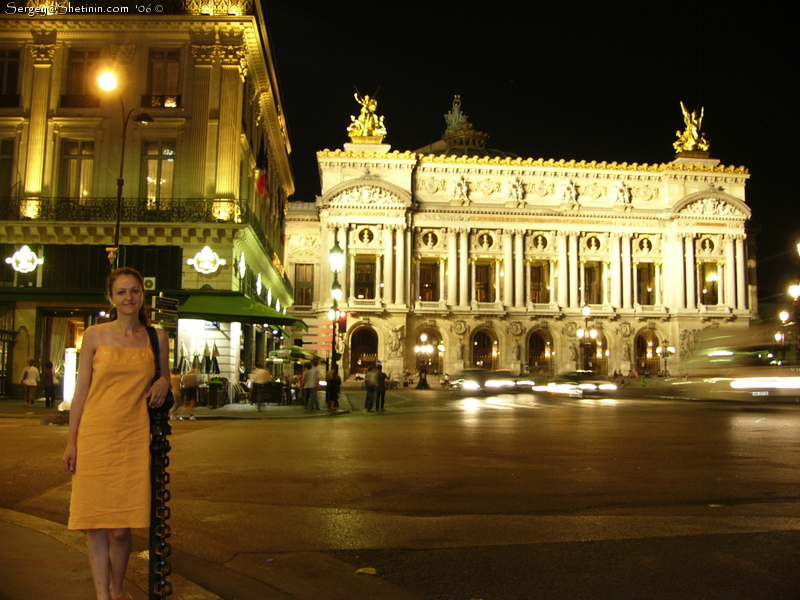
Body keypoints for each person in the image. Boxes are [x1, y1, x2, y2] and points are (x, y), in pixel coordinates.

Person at [62, 267, 170, 600]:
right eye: (121, 292)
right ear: (111, 297)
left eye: (134, 291)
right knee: (94, 525)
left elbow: (164, 377)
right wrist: (71, 441)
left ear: (142, 295)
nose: (128, 298)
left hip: (133, 437)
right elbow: (81, 391)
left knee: (122, 530)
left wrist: (166, 380)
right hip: (94, 434)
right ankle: (103, 596)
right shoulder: (95, 335)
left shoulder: (157, 337)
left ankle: (117, 588)